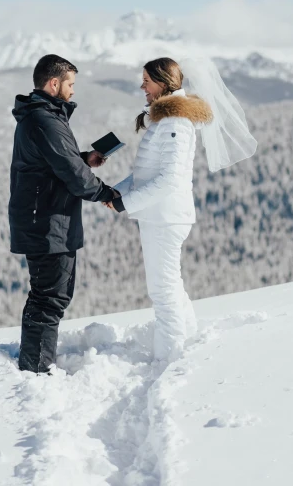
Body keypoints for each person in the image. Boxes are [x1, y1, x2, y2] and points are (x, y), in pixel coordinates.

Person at [108, 56, 257, 361]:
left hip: (165, 218)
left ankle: (171, 359)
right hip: (159, 216)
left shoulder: (175, 122)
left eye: (147, 81)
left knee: (163, 292)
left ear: (163, 83)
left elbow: (169, 179)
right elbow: (146, 174)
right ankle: (186, 344)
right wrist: (114, 192)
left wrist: (125, 202)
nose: (142, 86)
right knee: (170, 285)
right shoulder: (167, 120)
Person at [9, 54, 120, 374]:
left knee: (50, 295)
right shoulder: (44, 119)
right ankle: (35, 370)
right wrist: (107, 194)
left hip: (47, 217)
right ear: (53, 83)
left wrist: (86, 157)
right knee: (48, 298)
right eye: (70, 84)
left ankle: (36, 363)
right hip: (45, 220)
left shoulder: (44, 116)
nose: (73, 90)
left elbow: (60, 162)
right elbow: (71, 173)